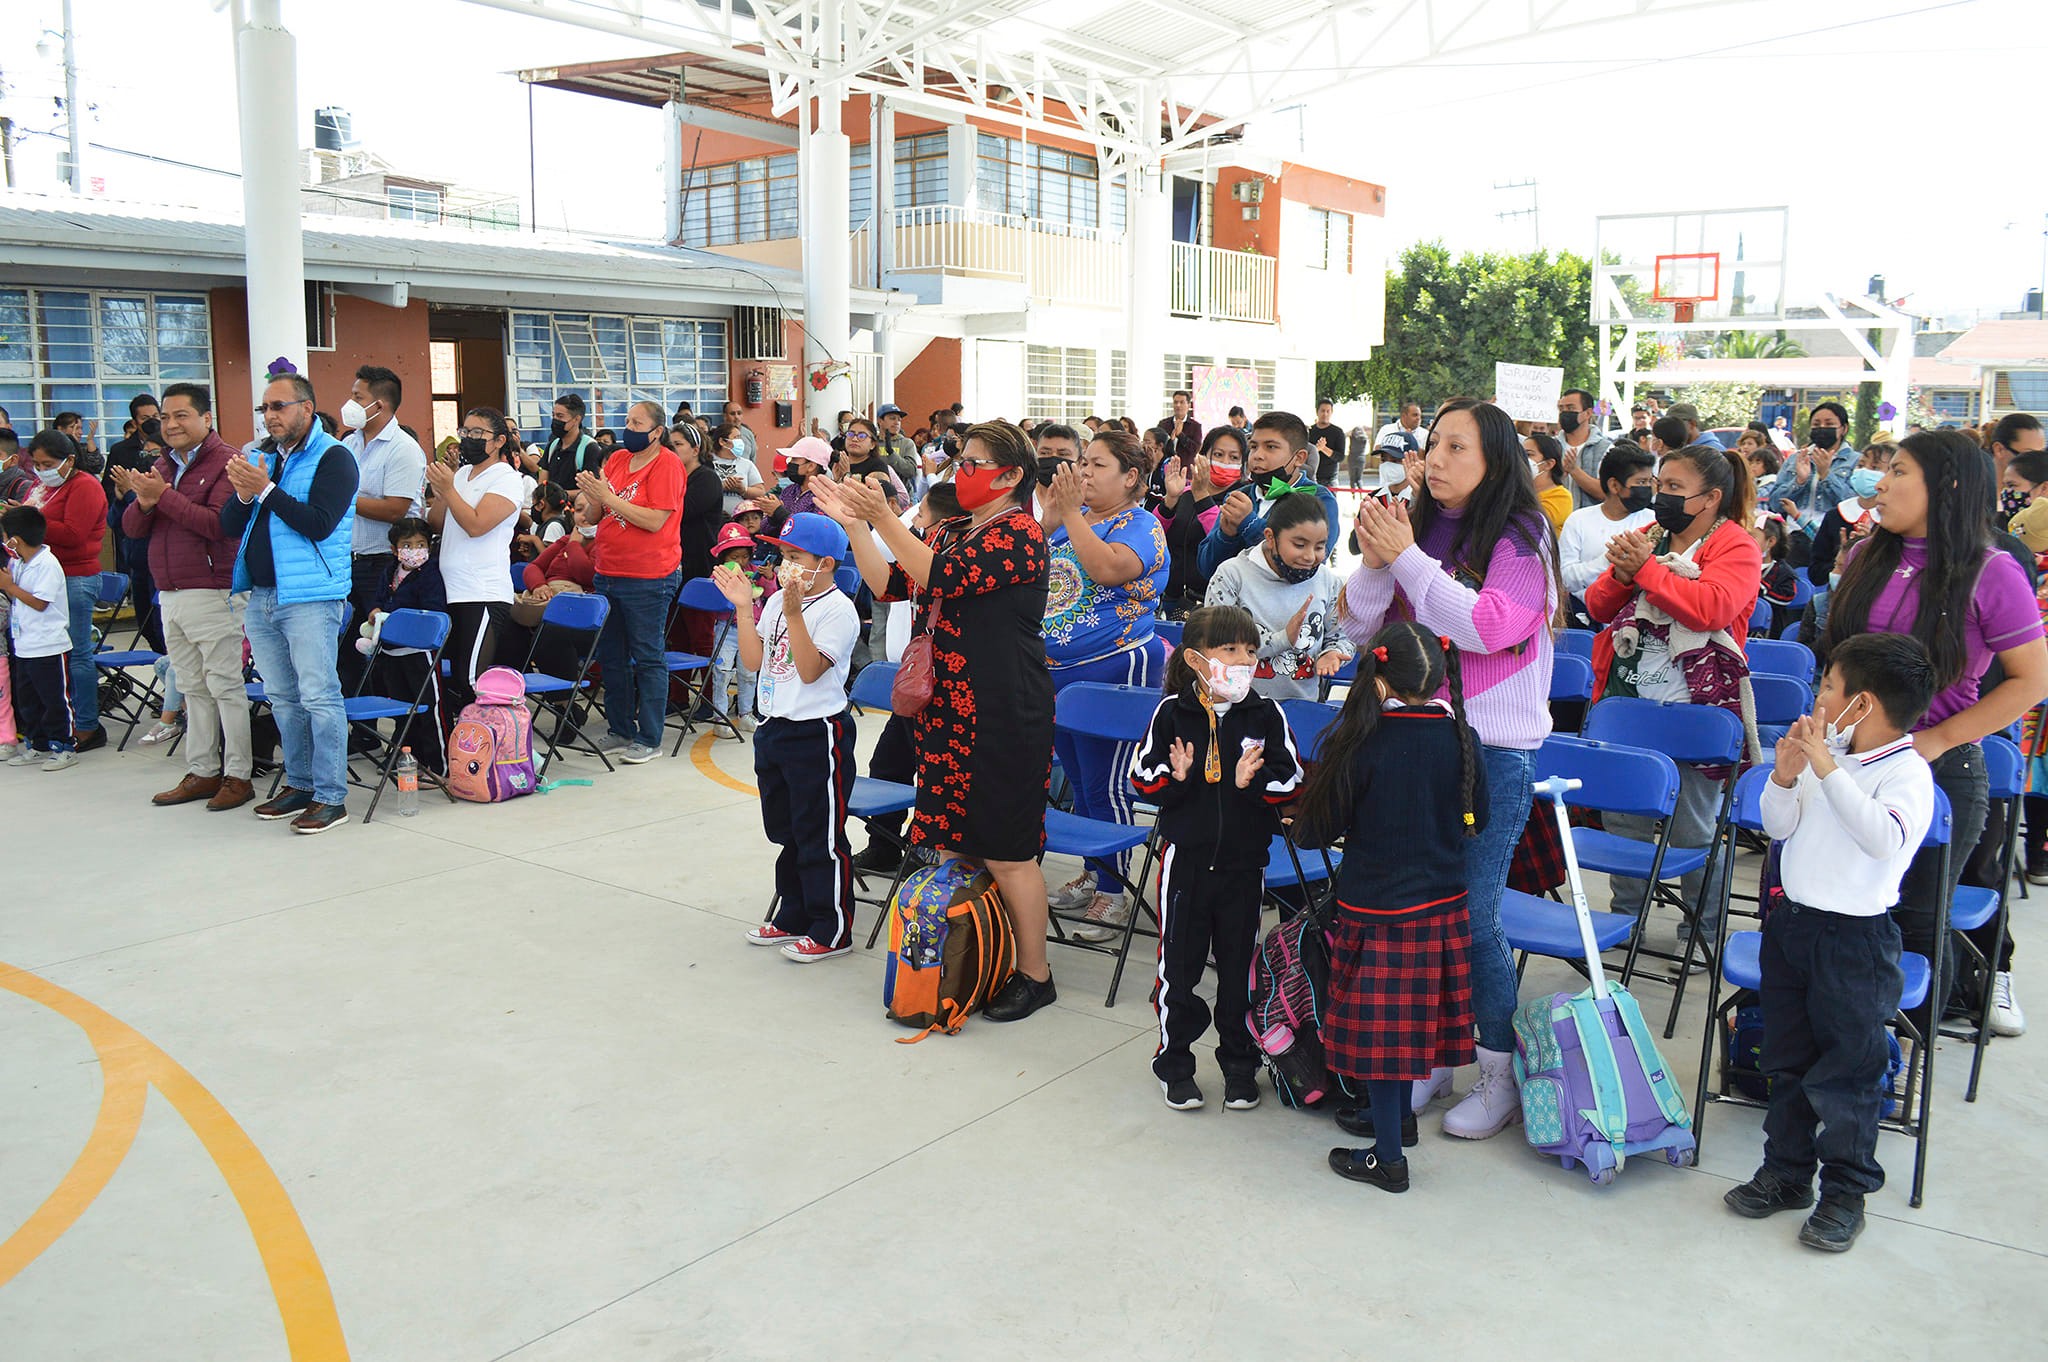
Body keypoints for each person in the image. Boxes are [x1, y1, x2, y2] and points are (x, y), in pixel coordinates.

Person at [1340, 398, 1557, 1139]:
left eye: (1457, 447)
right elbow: (1364, 630)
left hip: (1493, 751)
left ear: (1496, 461)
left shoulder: (1523, 535)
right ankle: (1436, 1053)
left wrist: (1404, 557)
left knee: (1472, 912)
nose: (1435, 458)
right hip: (1417, 742)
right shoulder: (1417, 527)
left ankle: (1499, 1070)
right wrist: (1375, 565)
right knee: (1422, 910)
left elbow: (1491, 627)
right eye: (1433, 443)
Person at [816, 422, 1060, 1022]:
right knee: (952, 839)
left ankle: (1036, 972)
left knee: (1006, 850)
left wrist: (886, 517)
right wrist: (856, 523)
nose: (961, 471)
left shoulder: (1020, 535)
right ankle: (974, 950)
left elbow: (941, 577)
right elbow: (890, 582)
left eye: (975, 463)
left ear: (1010, 478)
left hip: (1003, 713)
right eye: (961, 459)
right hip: (946, 713)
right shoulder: (951, 527)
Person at [1824, 428, 2048, 1035]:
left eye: (1898, 472)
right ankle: (1833, 1056)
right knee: (1832, 911)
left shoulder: (1992, 571)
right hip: (1847, 763)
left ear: (1946, 486)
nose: (1881, 484)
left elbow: (2030, 682)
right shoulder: (1872, 553)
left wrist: (1937, 740)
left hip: (1935, 772)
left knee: (1916, 925)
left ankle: (1894, 1062)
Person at [1727, 632, 1938, 1253]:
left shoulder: (1908, 773)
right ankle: (1787, 1172)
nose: (1819, 695)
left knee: (1849, 1072)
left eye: (1828, 685)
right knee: (1787, 1058)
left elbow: (1882, 840)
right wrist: (1788, 779)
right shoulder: (1832, 754)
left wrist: (1824, 768)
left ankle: (1844, 1193)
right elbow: (1777, 827)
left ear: (1862, 703)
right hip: (1793, 926)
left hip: (1855, 942)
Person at [1299, 621, 1487, 1192]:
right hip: (1442, 902)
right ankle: (1397, 1119)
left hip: (1377, 907)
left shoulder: (1359, 739)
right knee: (1411, 1025)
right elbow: (1477, 817)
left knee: (1384, 1037)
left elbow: (1315, 831)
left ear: (1377, 675)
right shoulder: (1461, 738)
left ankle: (1389, 1158)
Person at [1584, 443, 1762, 944]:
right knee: (1624, 819)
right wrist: (1622, 573)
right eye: (1660, 485)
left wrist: (1644, 570)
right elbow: (1598, 605)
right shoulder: (1651, 534)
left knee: (1693, 829)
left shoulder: (1735, 545)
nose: (1660, 495)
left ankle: (1701, 930)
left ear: (1709, 498)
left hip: (1695, 712)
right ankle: (1628, 920)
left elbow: (1711, 609)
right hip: (1631, 699)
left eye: (1673, 489)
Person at [1129, 605, 1302, 1112]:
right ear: (1197, 660)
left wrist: (1255, 785)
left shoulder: (1267, 714)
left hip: (1245, 867)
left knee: (1238, 971)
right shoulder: (1172, 713)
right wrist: (1176, 777)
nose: (1243, 661)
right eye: (1230, 650)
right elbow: (1143, 778)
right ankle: (1176, 1064)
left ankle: (1239, 1065)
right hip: (1185, 864)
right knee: (1177, 970)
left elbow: (1291, 779)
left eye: (1250, 651)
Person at [1037, 428, 1170, 941]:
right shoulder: (1075, 520)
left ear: (1131, 477)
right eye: (1083, 462)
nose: (1083, 472)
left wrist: (1069, 514)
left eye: (1096, 465)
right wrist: (1053, 519)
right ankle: (1094, 873)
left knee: (1104, 782)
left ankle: (1113, 894)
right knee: (1076, 779)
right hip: (1058, 675)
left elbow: (1108, 568)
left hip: (1113, 671)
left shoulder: (1141, 525)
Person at [719, 513, 862, 961]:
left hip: (816, 732)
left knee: (819, 834)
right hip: (775, 726)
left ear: (826, 563)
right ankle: (794, 913)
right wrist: (746, 609)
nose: (785, 565)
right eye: (782, 555)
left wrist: (797, 614)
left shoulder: (838, 610)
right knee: (786, 830)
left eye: (796, 556)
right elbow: (754, 661)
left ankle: (831, 927)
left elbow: (810, 668)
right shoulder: (779, 600)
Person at [222, 370, 360, 833]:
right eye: (264, 408)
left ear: (306, 407)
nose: (270, 416)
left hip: (311, 598)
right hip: (262, 595)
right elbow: (228, 524)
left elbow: (318, 522)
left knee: (319, 696)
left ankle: (330, 797)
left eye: (278, 406)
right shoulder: (263, 458)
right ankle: (299, 784)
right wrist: (244, 494)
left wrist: (264, 489)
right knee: (283, 697)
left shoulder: (334, 458)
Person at [114, 383, 254, 811]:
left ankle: (238, 775)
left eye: (181, 416)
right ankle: (203, 771)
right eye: (166, 417)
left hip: (213, 591)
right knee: (192, 686)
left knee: (225, 686)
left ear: (206, 419)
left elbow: (218, 525)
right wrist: (144, 500)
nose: (171, 424)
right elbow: (133, 530)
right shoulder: (163, 464)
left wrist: (163, 496)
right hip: (170, 591)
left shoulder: (228, 462)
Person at [578, 401, 684, 765]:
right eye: (627, 421)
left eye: (637, 422)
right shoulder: (619, 458)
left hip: (649, 575)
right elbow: (598, 513)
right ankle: (620, 729)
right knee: (612, 657)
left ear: (656, 432)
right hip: (609, 570)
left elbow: (655, 520)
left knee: (648, 656)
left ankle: (649, 737)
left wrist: (607, 498)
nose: (629, 427)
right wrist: (594, 498)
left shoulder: (667, 463)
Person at [1203, 487, 1351, 700]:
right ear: (1270, 538)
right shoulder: (1232, 575)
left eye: (1320, 547)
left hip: (1301, 711)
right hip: (1237, 708)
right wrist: (1282, 639)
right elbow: (1217, 643)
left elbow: (1342, 635)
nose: (1310, 556)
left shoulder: (1328, 582)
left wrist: (1332, 653)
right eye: (1299, 545)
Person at [425, 407, 523, 724]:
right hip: (450, 592)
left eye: (478, 433)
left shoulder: (506, 478)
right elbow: (436, 521)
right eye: (465, 432)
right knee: (452, 682)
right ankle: (466, 751)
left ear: (498, 441)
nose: (469, 438)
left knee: (473, 681)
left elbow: (477, 525)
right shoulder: (463, 476)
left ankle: (495, 748)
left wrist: (450, 489)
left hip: (481, 592)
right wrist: (445, 488)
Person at [338, 365, 426, 692]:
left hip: (381, 563)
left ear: (380, 405)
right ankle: (359, 725)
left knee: (379, 650)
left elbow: (395, 509)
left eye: (357, 397)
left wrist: (344, 498)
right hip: (349, 559)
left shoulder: (402, 448)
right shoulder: (350, 444)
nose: (349, 403)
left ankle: (377, 733)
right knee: (348, 649)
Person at [21, 428, 108, 752]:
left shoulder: (85, 485)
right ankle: (55, 720)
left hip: (75, 577)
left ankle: (87, 724)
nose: (41, 469)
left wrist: (32, 519)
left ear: (69, 460)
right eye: (37, 463)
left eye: (47, 463)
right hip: (41, 577)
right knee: (46, 656)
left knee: (78, 654)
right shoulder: (41, 486)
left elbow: (73, 534)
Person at [1197, 412, 1342, 578]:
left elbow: (1306, 567)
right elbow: (1207, 568)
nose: (1258, 455)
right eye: (1253, 447)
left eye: (1271, 447)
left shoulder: (1318, 499)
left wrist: (1248, 523)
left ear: (1299, 458)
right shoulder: (1239, 496)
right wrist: (1226, 536)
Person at [360, 517, 450, 776]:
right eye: (407, 545)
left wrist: (398, 616)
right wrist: (375, 610)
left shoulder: (431, 573)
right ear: (394, 549)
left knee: (429, 707)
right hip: (391, 650)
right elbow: (377, 599)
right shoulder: (389, 571)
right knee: (402, 708)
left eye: (420, 544)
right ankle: (409, 757)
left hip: (419, 652)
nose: (414, 550)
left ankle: (439, 764)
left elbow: (433, 610)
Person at [1, 506, 78, 770]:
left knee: (54, 699)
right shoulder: (18, 562)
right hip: (24, 644)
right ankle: (38, 744)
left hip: (48, 645)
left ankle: (64, 746)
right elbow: (18, 598)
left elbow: (40, 603)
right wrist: (10, 587)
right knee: (28, 701)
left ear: (15, 540)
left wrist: (9, 587)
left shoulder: (47, 564)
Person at [1157, 427, 1241, 617]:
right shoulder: (1185, 492)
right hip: (1173, 598)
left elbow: (1222, 537)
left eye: (1234, 458)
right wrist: (1171, 498)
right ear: (1203, 456)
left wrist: (1202, 496)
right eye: (1218, 454)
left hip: (1216, 604)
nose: (1225, 462)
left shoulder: (1242, 497)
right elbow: (1154, 533)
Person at [1558, 441, 1656, 601]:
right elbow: (1565, 579)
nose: (1648, 488)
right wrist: (1608, 560)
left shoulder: (1654, 522)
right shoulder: (1579, 520)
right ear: (1614, 485)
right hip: (1585, 612)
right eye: (1640, 482)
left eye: (1649, 481)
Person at [707, 520, 775, 733]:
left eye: (744, 556)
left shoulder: (755, 571)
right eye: (734, 557)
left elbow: (771, 594)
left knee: (748, 673)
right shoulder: (720, 573)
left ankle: (746, 714)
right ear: (723, 557)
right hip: (726, 628)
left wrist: (769, 577)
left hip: (752, 629)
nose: (741, 561)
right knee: (722, 672)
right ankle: (720, 717)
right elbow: (715, 598)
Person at [1773, 401, 1858, 520]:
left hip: (1831, 533)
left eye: (1829, 424)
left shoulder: (1856, 461)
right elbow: (1775, 504)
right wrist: (1799, 482)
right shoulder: (1796, 459)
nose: (1822, 428)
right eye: (1816, 424)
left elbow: (1855, 505)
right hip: (1794, 531)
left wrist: (1826, 475)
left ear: (1843, 429)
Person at [1557, 388, 1614, 509]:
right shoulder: (1552, 445)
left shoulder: (1605, 448)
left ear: (1588, 413)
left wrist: (1574, 471)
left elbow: (1606, 493)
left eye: (1571, 408)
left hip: (1590, 524)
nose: (1564, 413)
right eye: (1561, 409)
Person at [543, 394, 603, 491]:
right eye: (553, 415)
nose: (555, 420)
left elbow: (591, 490)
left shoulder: (590, 448)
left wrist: (559, 497)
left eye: (560, 416)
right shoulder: (552, 446)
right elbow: (543, 483)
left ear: (577, 419)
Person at [709, 423, 768, 518]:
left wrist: (743, 489)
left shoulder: (747, 464)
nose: (740, 441)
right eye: (736, 437)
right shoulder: (707, 462)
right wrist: (721, 486)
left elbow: (761, 492)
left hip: (740, 520)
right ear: (722, 442)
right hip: (712, 517)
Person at [1525, 431, 1573, 533]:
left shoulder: (1562, 497)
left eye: (1528, 454)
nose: (1522, 459)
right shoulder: (1519, 490)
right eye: (1520, 454)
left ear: (1549, 464)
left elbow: (1532, 523)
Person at [1156, 389, 1202, 468]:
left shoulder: (1195, 426)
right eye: (1175, 402)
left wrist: (1180, 435)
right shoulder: (1163, 424)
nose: (1178, 405)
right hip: (1164, 468)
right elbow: (1157, 446)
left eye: (1182, 402)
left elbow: (1195, 449)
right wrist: (1171, 440)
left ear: (1189, 405)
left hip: (1185, 470)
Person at [874, 403, 919, 484]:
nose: (896, 422)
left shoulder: (907, 443)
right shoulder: (872, 442)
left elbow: (911, 471)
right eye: (892, 418)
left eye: (899, 419)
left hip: (900, 494)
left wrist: (891, 453)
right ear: (880, 421)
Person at [1308, 398, 1345, 487]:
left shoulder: (1337, 432)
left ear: (1331, 412)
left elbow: (1340, 457)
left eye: (1328, 411)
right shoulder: (1309, 431)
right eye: (1322, 411)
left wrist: (1323, 448)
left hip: (1330, 479)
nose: (1325, 414)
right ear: (1317, 412)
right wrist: (1316, 449)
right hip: (1311, 477)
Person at [719, 401, 759, 466]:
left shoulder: (748, 434)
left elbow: (753, 458)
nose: (736, 417)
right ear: (725, 416)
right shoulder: (718, 434)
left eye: (739, 413)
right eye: (732, 414)